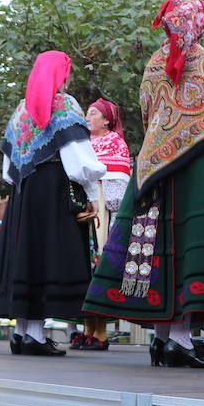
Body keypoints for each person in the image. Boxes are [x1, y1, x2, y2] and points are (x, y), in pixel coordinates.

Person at [82, 0, 204, 369]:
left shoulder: (152, 64)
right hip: (198, 169)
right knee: (187, 245)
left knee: (160, 245)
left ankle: (162, 342)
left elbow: (149, 114)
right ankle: (179, 340)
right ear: (197, 25)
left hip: (153, 167)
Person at [0, 51, 107, 357]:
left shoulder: (22, 110)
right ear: (61, 74)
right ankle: (36, 336)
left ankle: (22, 333)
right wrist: (92, 194)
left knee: (27, 255)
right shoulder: (64, 104)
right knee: (46, 255)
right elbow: (78, 158)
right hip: (53, 187)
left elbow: (7, 166)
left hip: (24, 191)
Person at [72, 98, 133, 352]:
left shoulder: (114, 142)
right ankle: (87, 328)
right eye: (87, 113)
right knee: (84, 267)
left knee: (99, 266)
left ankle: (101, 331)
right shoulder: (82, 143)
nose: (88, 117)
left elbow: (118, 186)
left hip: (102, 213)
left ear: (107, 119)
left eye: (94, 113)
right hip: (84, 213)